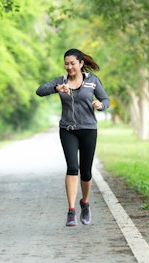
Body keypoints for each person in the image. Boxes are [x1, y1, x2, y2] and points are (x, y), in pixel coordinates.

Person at [36, 48, 110, 227]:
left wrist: (100, 105)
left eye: (72, 64)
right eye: (66, 64)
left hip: (88, 130)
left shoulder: (92, 81)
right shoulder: (61, 81)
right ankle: (71, 211)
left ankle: (84, 203)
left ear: (81, 64)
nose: (69, 67)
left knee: (86, 171)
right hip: (68, 129)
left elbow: (105, 100)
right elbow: (40, 91)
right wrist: (56, 88)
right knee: (72, 167)